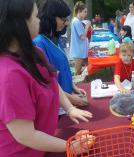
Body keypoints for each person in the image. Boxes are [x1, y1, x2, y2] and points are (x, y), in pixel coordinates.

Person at [0, 0, 92, 156]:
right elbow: (26, 135)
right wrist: (70, 146)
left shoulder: (34, 52)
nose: (39, 20)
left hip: (42, 145)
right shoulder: (9, 75)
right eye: (36, 16)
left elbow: (52, 81)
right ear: (19, 23)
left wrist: (70, 108)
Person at [33, 0, 88, 117]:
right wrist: (70, 99)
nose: (66, 23)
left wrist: (73, 87)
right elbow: (47, 82)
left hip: (66, 101)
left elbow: (63, 69)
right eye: (63, 19)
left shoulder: (55, 38)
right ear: (51, 17)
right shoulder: (39, 43)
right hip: (56, 107)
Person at [70, 1, 91, 75]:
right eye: (85, 12)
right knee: (77, 72)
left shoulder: (78, 21)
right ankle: (77, 85)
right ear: (79, 11)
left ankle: (83, 82)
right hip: (78, 51)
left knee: (84, 68)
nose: (86, 13)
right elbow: (83, 36)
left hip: (80, 50)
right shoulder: (76, 22)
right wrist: (87, 27)